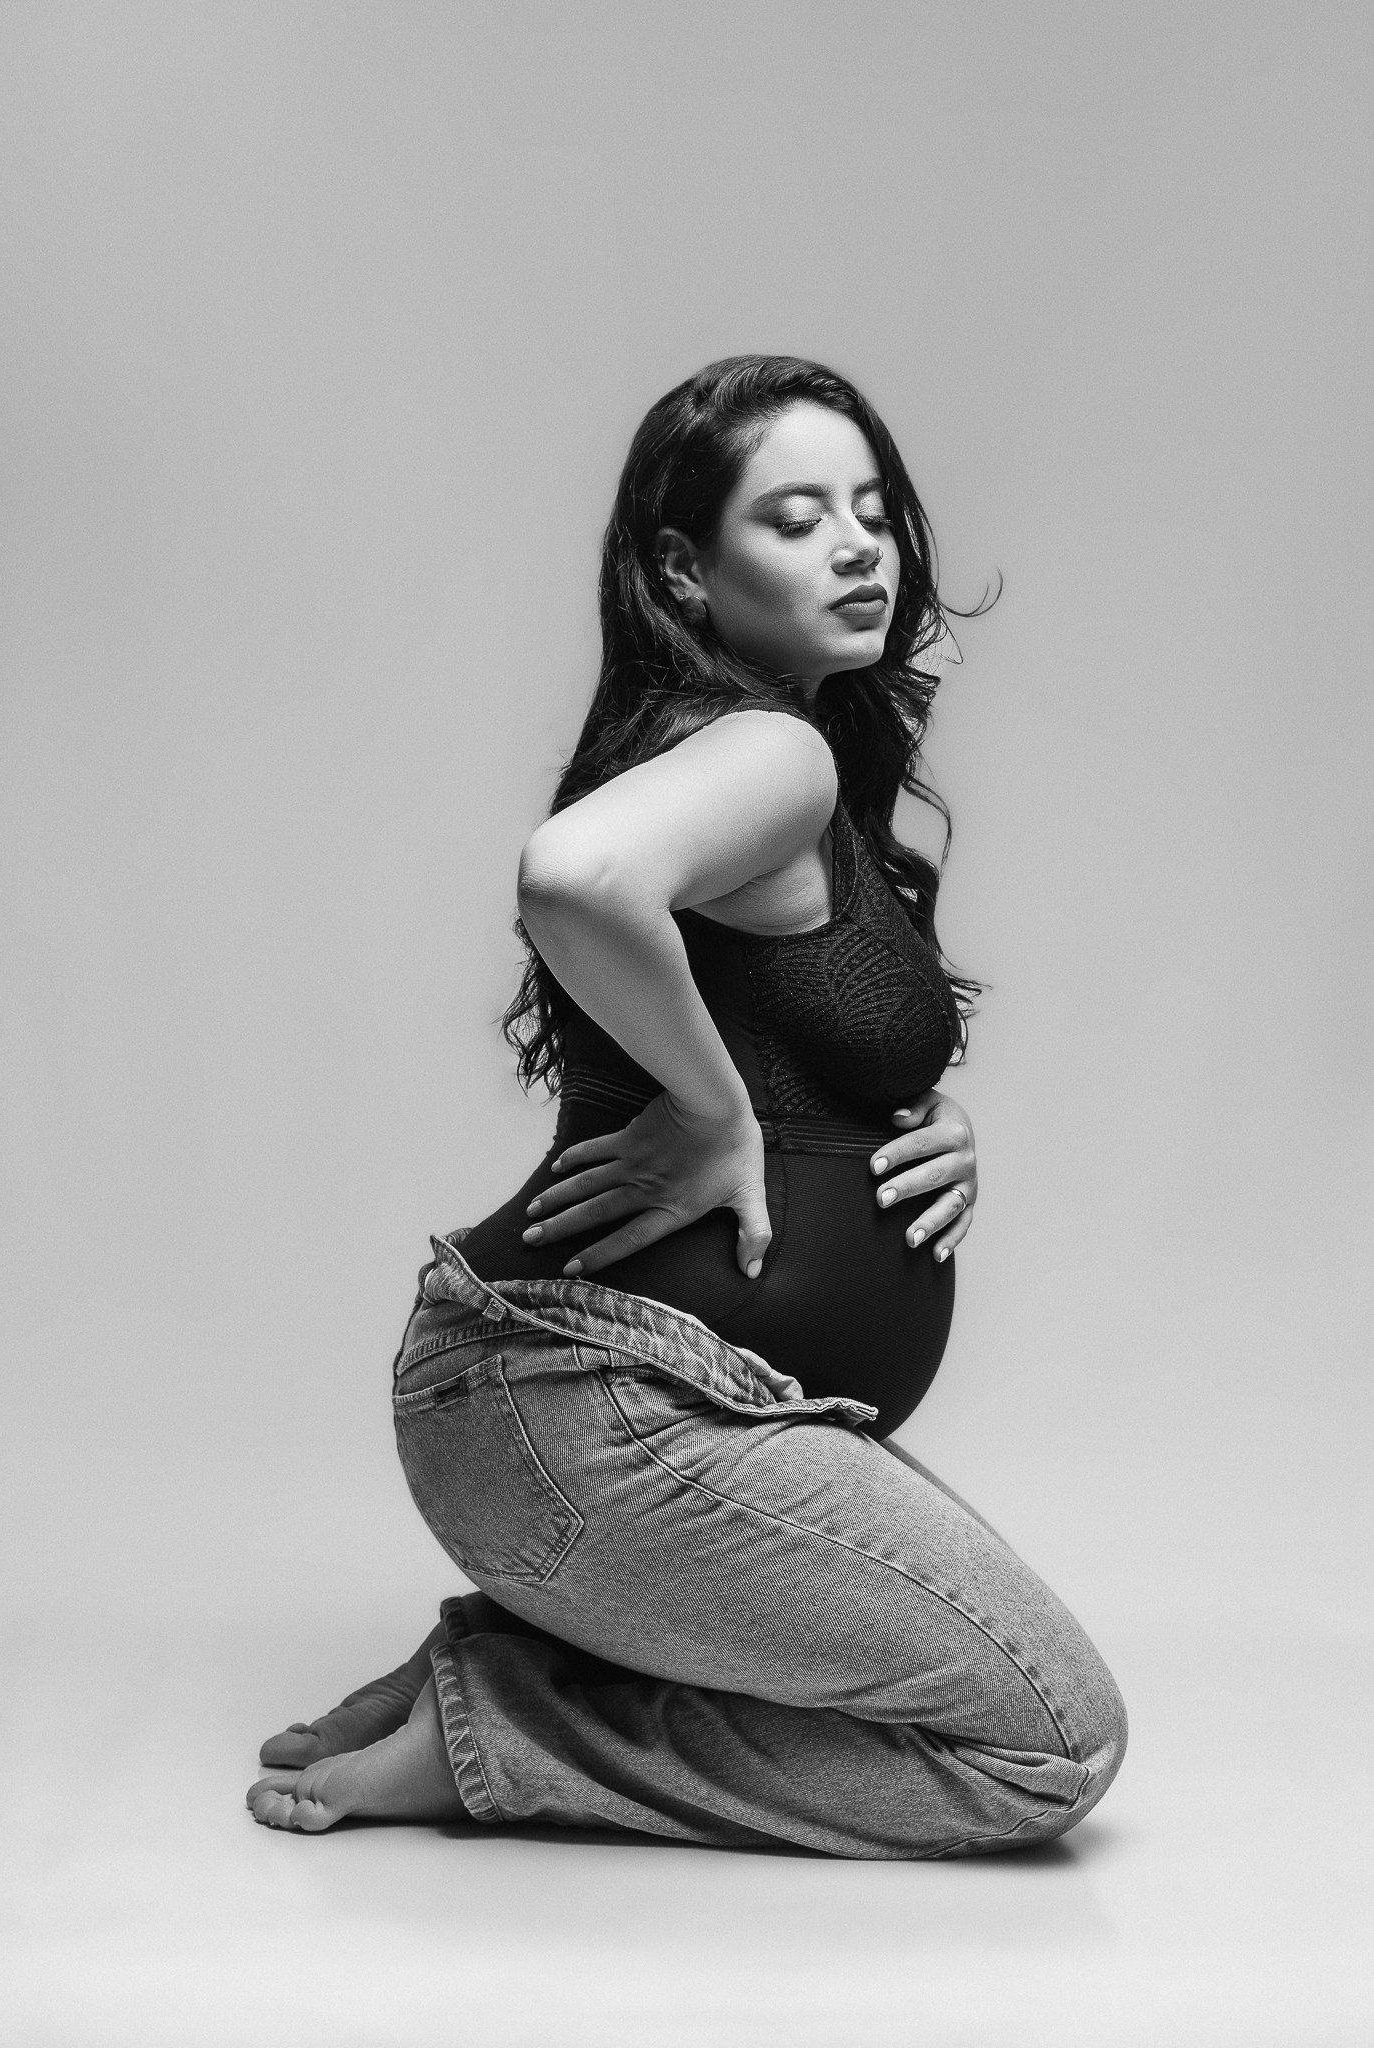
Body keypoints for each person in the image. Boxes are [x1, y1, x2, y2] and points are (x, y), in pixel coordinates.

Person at [247, 355, 1127, 1857]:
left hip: (628, 1414)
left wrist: (914, 1127)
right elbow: (572, 880)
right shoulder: (770, 752)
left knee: (1013, 1705)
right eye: (796, 517)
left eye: (873, 512)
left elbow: (798, 1036)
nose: (858, 546)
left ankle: (516, 1659)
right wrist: (714, 1116)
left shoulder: (764, 759)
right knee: (1049, 1746)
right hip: (588, 1407)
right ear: (683, 570)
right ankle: (505, 1734)